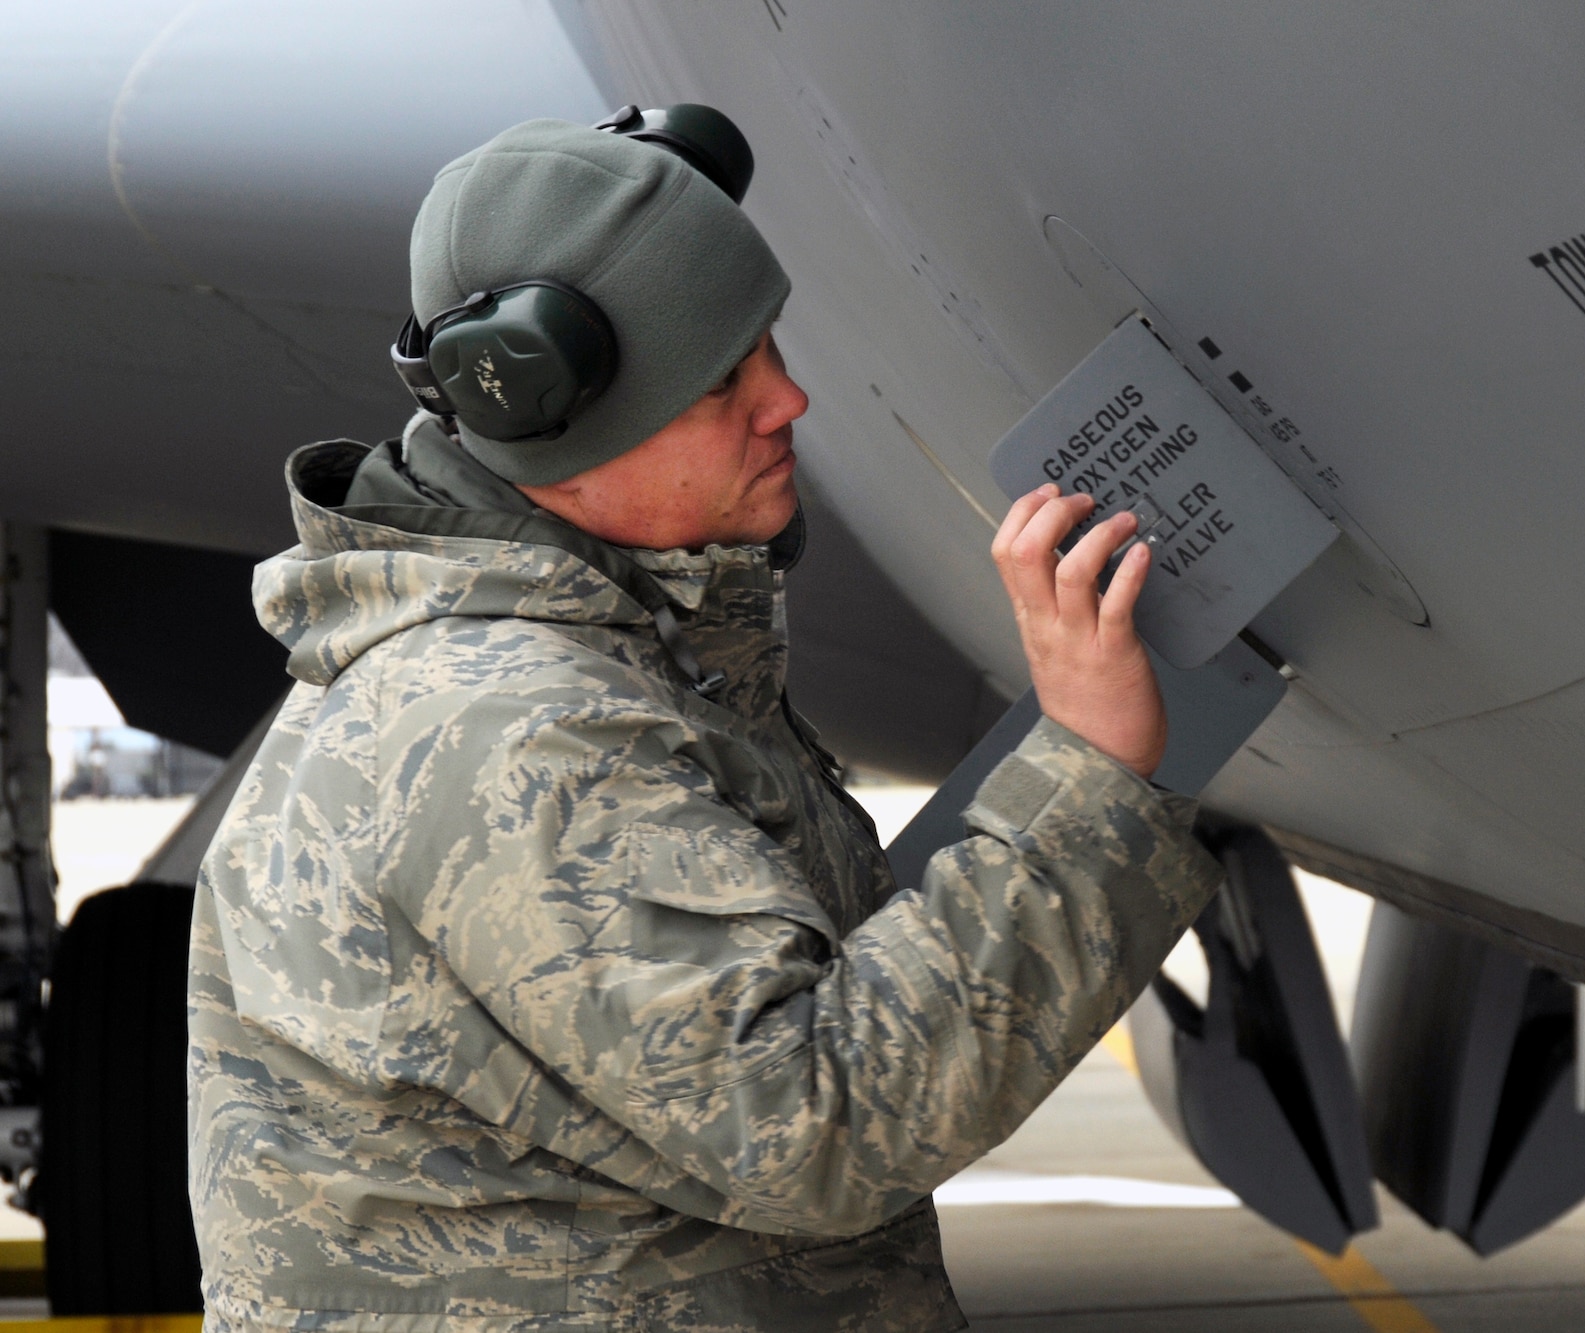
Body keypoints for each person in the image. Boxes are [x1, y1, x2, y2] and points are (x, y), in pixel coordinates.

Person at [188, 116, 1219, 1333]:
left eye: (765, 345)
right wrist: (1089, 774)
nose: (787, 397)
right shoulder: (515, 729)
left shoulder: (592, 667)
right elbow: (810, 1121)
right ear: (547, 406)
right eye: (721, 375)